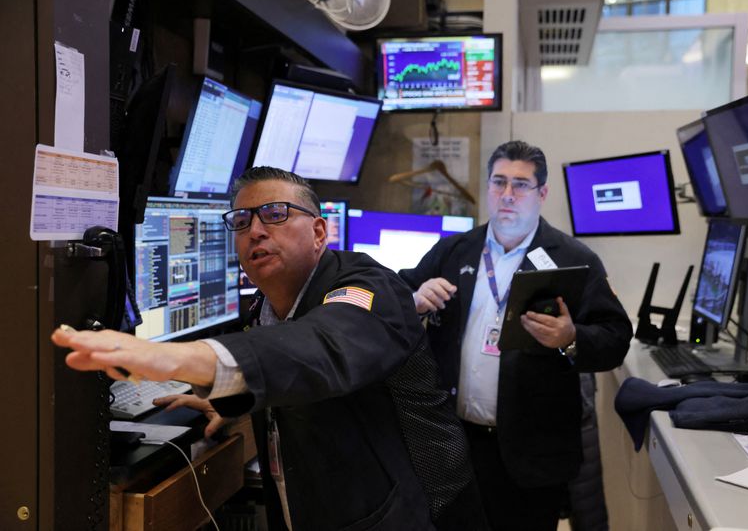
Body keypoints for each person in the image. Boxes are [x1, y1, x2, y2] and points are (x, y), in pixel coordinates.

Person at [53, 167, 487, 531]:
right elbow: (291, 367)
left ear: (319, 232)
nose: (255, 230)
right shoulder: (263, 308)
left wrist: (172, 357)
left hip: (412, 516)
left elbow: (324, 347)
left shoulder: (368, 288)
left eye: (275, 214)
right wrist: (235, 399)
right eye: (241, 221)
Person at [399, 140, 633, 531]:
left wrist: (570, 338)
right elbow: (397, 297)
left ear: (542, 193)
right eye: (499, 182)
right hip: (455, 447)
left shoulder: (574, 258)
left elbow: (616, 337)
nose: (507, 195)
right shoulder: (455, 250)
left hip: (532, 457)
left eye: (521, 184)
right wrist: (415, 299)